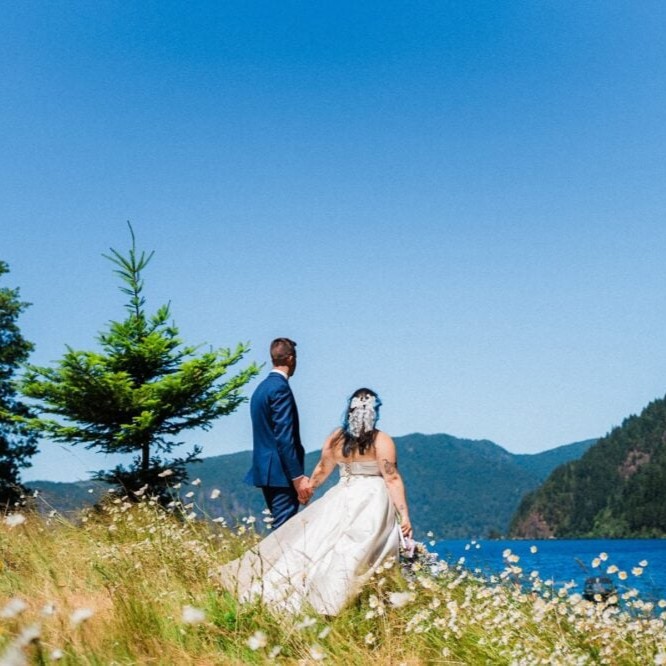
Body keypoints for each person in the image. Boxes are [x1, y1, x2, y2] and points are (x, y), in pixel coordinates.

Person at [220, 388, 413, 616]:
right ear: (375, 411)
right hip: (372, 499)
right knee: (359, 549)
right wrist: (404, 515)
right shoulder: (381, 440)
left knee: (320, 544)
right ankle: (343, 600)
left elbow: (323, 467)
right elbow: (391, 478)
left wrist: (309, 489)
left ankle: (311, 596)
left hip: (342, 495)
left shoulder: (337, 438)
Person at [244, 338, 312, 529]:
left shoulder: (261, 389)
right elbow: (284, 437)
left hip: (265, 469)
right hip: (281, 473)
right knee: (284, 531)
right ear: (290, 359)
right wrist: (297, 477)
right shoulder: (280, 388)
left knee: (281, 528)